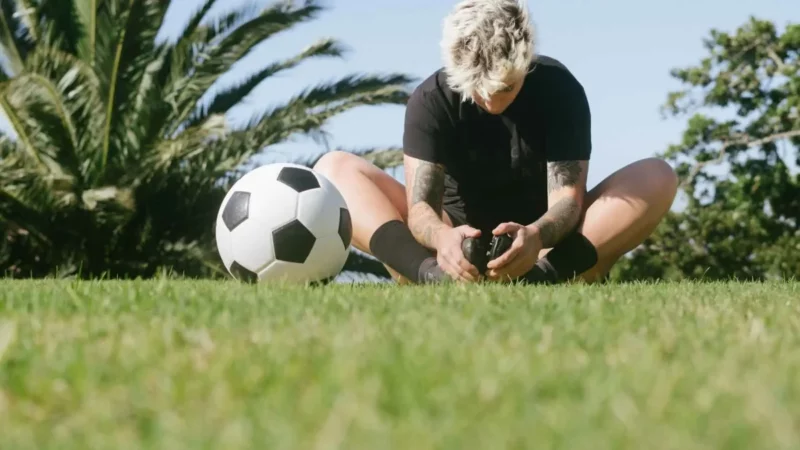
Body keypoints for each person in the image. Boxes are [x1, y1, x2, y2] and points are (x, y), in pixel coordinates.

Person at [314, 0, 678, 284]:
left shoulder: (559, 88)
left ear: (527, 61)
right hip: (446, 245)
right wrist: (442, 240)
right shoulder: (432, 98)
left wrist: (535, 236)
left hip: (543, 244)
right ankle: (431, 279)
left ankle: (545, 278)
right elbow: (421, 206)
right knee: (334, 168)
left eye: (505, 88)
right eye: (477, 89)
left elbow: (568, 201)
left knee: (657, 175)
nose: (491, 102)